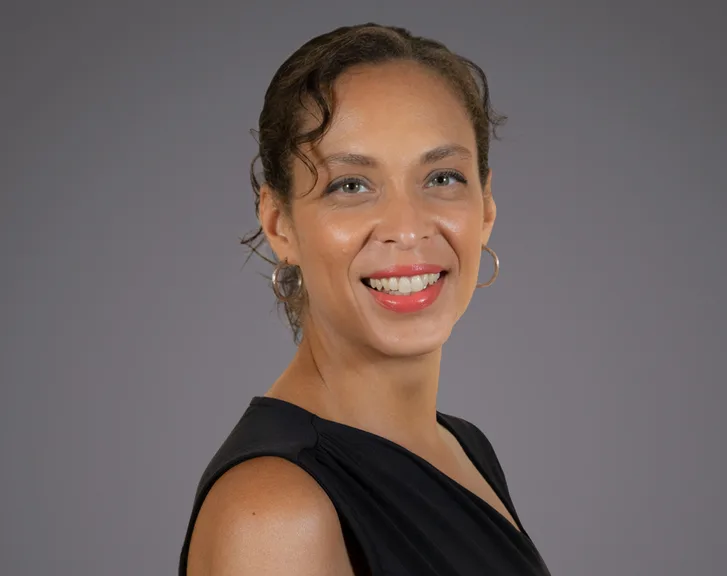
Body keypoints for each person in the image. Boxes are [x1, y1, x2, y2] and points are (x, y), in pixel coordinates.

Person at [179, 23, 551, 576]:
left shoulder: (461, 446)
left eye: (442, 177)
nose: (407, 228)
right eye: (350, 185)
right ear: (279, 223)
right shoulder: (278, 513)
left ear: (486, 208)